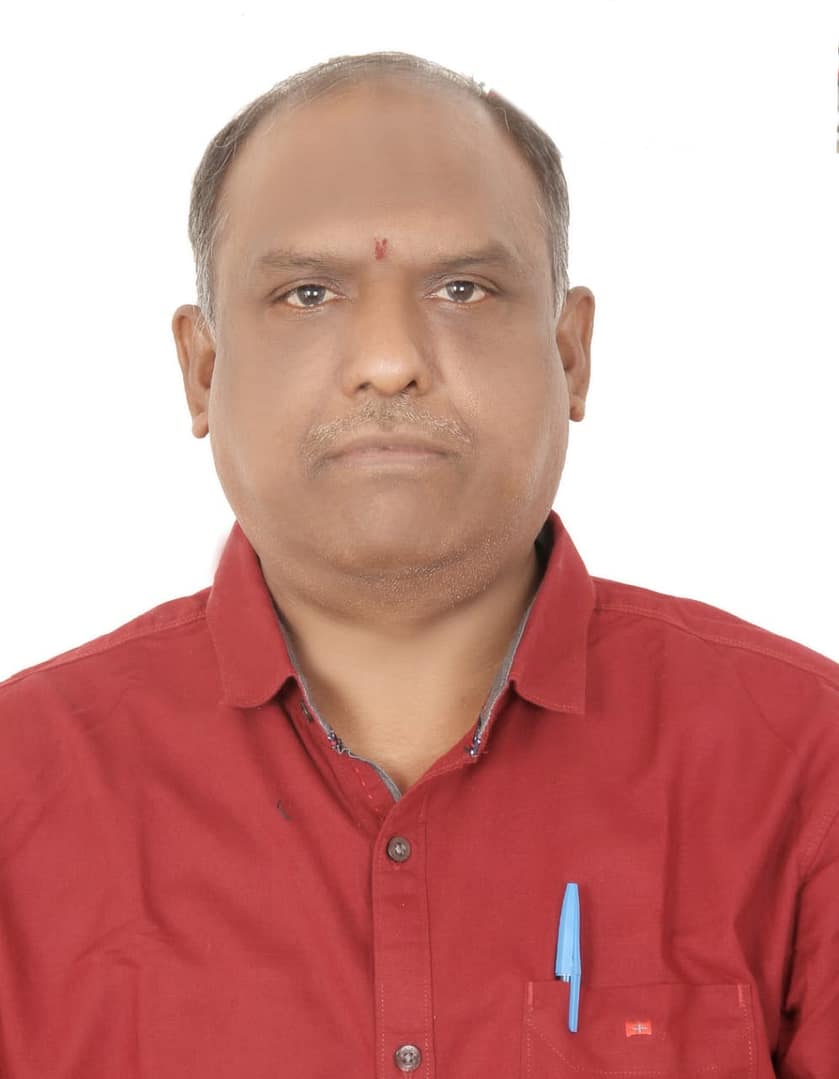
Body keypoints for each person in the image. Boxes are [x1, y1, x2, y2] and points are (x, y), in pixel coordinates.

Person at [0, 49, 836, 1079]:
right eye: (308, 292)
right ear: (202, 370)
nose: (389, 360)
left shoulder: (804, 766)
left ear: (570, 353)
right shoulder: (20, 788)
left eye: (462, 288)